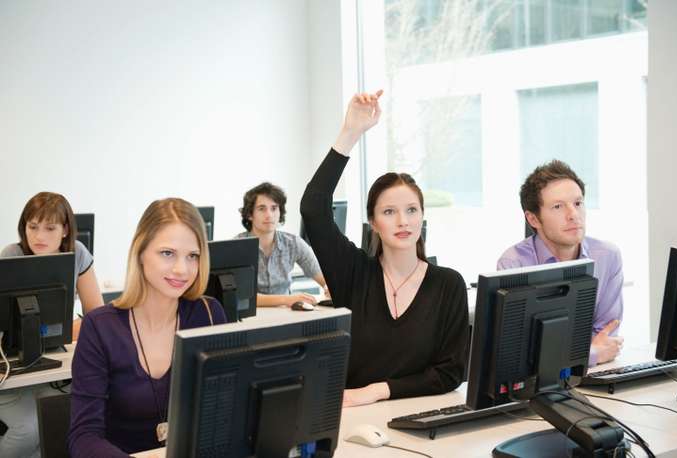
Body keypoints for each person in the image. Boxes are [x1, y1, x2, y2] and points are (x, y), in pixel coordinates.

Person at [300, 90, 469, 407]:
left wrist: (378, 390)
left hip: (419, 415)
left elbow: (450, 373)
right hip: (358, 424)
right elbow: (312, 208)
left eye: (411, 210)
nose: (403, 221)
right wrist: (350, 133)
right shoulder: (355, 274)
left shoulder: (448, 284)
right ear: (373, 222)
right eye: (389, 212)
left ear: (422, 216)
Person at [68, 198, 227, 457]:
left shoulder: (209, 315)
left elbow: (225, 413)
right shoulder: (100, 327)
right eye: (167, 253)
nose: (182, 269)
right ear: (140, 252)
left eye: (193, 256)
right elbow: (83, 437)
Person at [0, 191, 103, 458]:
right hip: (13, 367)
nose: (39, 236)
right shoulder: (12, 254)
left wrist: (64, 332)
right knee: (29, 429)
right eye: (32, 227)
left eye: (50, 228)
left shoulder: (77, 252)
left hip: (56, 364)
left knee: (68, 420)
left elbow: (96, 314)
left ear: (65, 229)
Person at [497, 160, 624, 366]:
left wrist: (586, 353)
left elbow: (606, 335)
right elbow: (521, 349)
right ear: (533, 220)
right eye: (558, 206)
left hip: (593, 374)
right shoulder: (514, 263)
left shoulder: (607, 256)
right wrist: (590, 354)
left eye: (578, 203)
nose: (573, 215)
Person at [236, 182, 328, 307]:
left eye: (274, 208)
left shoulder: (293, 243)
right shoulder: (237, 247)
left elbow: (322, 276)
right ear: (249, 214)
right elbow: (242, 297)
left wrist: (329, 287)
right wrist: (286, 299)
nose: (269, 215)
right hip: (252, 318)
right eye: (262, 209)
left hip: (285, 314)